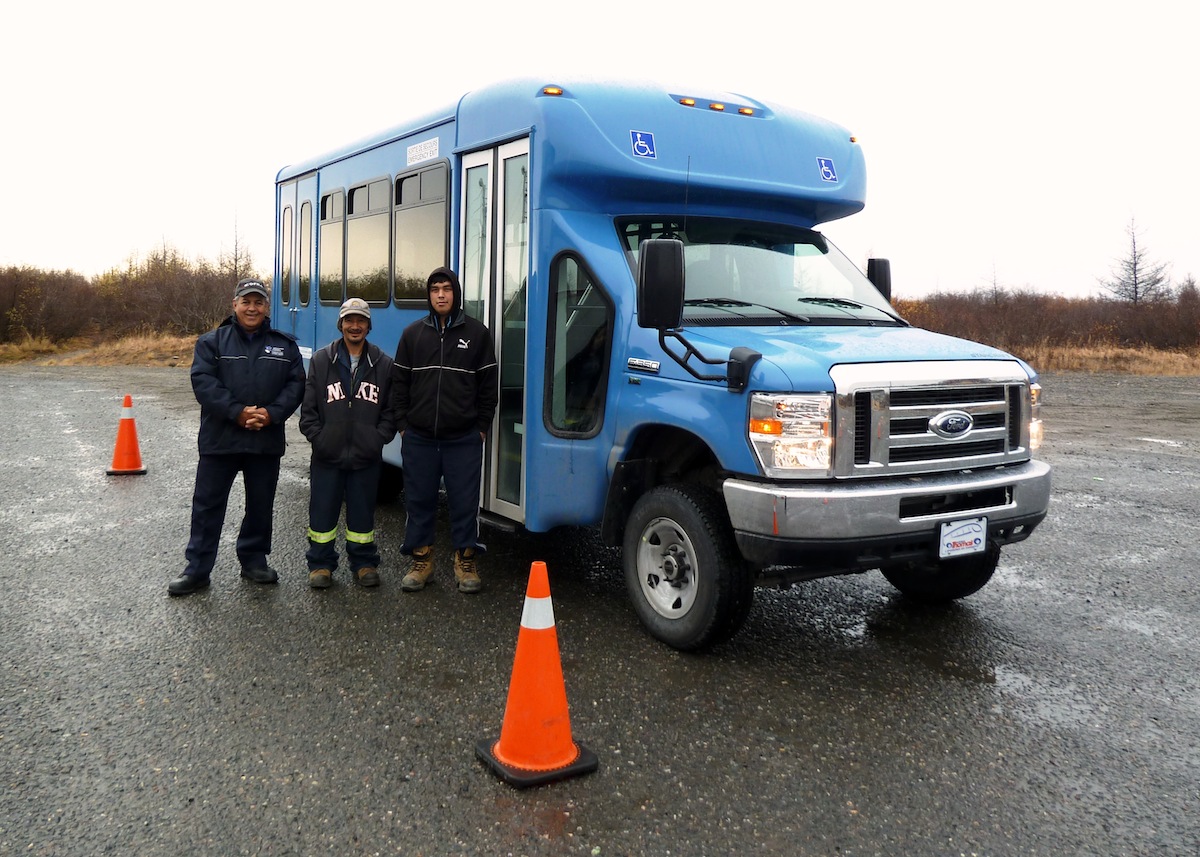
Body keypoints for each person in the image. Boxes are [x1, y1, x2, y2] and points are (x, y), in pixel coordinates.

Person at [169, 278, 306, 596]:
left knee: (260, 505)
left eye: (258, 302)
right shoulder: (212, 342)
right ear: (234, 305)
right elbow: (203, 382)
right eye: (246, 301)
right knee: (207, 507)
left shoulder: (285, 345)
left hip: (265, 439)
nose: (252, 307)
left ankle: (254, 561)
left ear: (267, 307)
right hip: (221, 440)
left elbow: (296, 385)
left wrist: (271, 414)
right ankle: (197, 570)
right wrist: (238, 413)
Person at [392, 267, 498, 594]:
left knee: (464, 502)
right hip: (419, 438)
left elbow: (488, 388)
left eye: (447, 289)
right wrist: (403, 426)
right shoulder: (412, 335)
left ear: (456, 294)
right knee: (419, 501)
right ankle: (422, 562)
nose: (441, 294)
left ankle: (465, 562)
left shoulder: (477, 334)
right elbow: (399, 384)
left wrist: (480, 428)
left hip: (463, 439)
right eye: (435, 289)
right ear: (429, 295)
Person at [298, 298, 396, 589]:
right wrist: (320, 438)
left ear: (368, 326)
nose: (355, 326)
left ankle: (364, 563)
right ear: (341, 324)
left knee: (363, 514)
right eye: (350, 321)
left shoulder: (383, 364)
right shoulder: (320, 360)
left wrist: (377, 439)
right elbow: (308, 410)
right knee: (322, 513)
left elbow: (390, 412)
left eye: (361, 321)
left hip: (366, 456)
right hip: (327, 455)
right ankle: (320, 565)